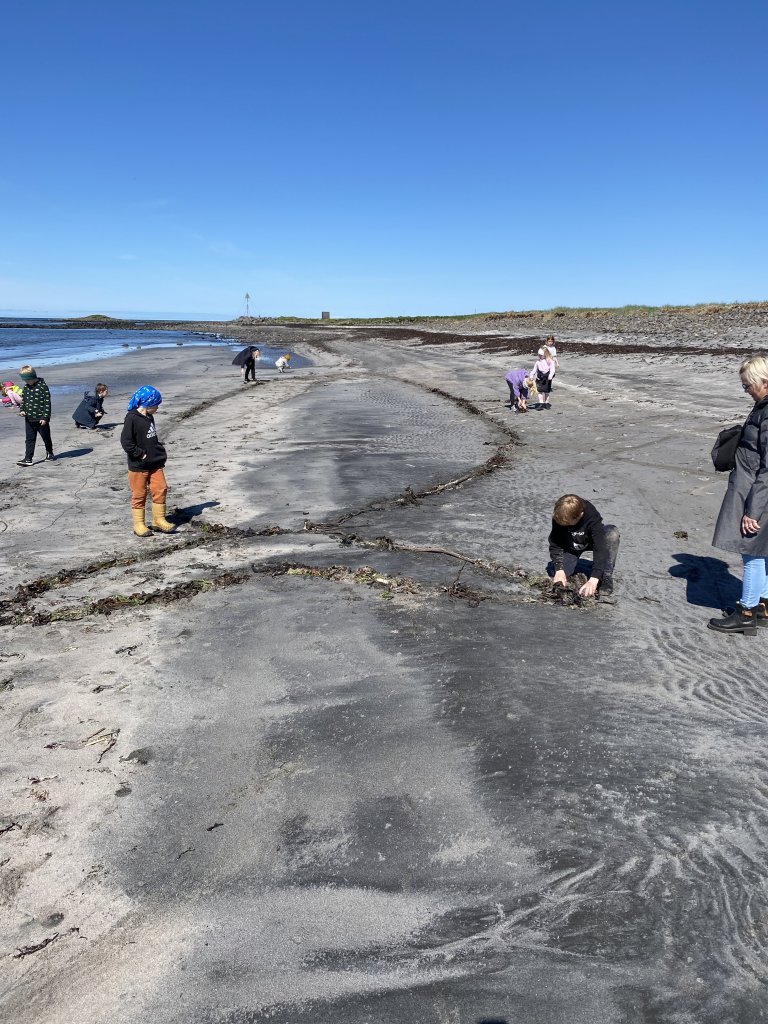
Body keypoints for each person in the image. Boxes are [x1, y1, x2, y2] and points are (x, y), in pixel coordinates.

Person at [708, 355, 768, 635]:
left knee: (751, 553)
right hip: (753, 487)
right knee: (761, 552)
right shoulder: (762, 407)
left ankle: (746, 612)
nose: (745, 390)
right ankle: (763, 608)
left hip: (757, 492)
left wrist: (753, 510)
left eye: (748, 385)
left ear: (763, 382)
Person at [120, 385, 177, 537]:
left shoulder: (149, 417)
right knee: (139, 494)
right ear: (148, 403)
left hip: (155, 463)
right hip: (138, 466)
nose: (157, 408)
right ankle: (139, 524)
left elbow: (152, 439)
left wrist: (159, 452)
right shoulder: (131, 418)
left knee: (161, 488)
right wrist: (140, 454)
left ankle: (158, 520)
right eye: (156, 405)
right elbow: (126, 442)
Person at [549, 494, 619, 598]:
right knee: (560, 576)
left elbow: (600, 547)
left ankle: (606, 575)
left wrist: (594, 578)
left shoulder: (591, 515)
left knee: (612, 534)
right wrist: (559, 569)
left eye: (567, 523)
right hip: (571, 545)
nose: (564, 524)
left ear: (580, 515)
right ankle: (581, 567)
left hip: (591, 541)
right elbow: (555, 542)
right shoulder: (560, 515)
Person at [16, 366, 54, 466]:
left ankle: (50, 453)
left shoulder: (43, 387)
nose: (26, 382)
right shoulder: (25, 388)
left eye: (28, 380)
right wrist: (22, 410)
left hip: (41, 419)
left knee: (46, 437)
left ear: (32, 377)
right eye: (25, 380)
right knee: (29, 439)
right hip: (29, 419)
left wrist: (45, 417)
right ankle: (28, 458)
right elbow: (24, 401)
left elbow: (47, 404)